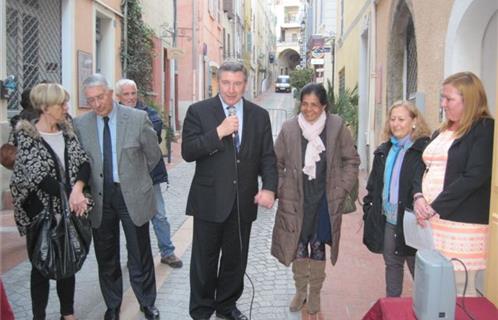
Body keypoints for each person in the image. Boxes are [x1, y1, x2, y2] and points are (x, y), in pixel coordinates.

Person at [182, 59, 277, 320]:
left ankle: (226, 306)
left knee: (235, 260)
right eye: (226, 83)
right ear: (218, 82)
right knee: (204, 261)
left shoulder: (259, 116)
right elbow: (188, 151)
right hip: (209, 201)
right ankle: (201, 310)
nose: (231, 89)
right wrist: (218, 132)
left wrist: (269, 188)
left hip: (243, 201)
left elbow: (267, 157)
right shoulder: (199, 112)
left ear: (245, 84)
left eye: (237, 83)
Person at [73, 74, 162, 320]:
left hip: (132, 193)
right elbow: (81, 162)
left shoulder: (137, 118)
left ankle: (147, 302)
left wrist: (136, 178)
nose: (96, 104)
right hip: (102, 197)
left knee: (139, 252)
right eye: (90, 100)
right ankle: (112, 305)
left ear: (111, 93)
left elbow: (153, 155)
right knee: (106, 255)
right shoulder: (82, 124)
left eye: (100, 97)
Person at [270, 83, 360, 315]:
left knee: (318, 247)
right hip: (296, 200)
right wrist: (282, 188)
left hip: (324, 200)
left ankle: (316, 293)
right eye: (305, 104)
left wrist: (341, 189)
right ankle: (301, 291)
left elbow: (351, 160)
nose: (309, 110)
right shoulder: (290, 128)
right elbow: (275, 163)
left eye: (314, 106)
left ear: (324, 107)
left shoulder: (336, 126)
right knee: (299, 247)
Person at [10, 83, 92, 320]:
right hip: (40, 211)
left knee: (67, 259)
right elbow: (38, 176)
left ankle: (67, 313)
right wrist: (72, 196)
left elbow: (83, 162)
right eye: (62, 103)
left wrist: (77, 190)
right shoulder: (26, 135)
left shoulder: (68, 130)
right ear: (45, 107)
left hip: (69, 207)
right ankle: (39, 315)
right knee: (41, 264)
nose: (66, 107)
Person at [414, 71, 494, 296]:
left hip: (460, 225)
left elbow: (474, 176)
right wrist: (418, 196)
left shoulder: (484, 129)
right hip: (433, 222)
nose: (443, 104)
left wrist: (435, 207)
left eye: (448, 99)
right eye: (443, 97)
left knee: (459, 288)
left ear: (468, 101)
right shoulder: (441, 130)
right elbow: (421, 166)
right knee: (435, 285)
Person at [362, 101, 431, 297]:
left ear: (414, 121)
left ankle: (427, 310)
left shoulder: (423, 151)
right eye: (392, 119)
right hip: (389, 220)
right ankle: (392, 308)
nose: (396, 124)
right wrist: (369, 210)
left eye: (401, 119)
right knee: (392, 265)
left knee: (418, 270)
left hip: (411, 221)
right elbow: (374, 185)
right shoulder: (384, 150)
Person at [115, 78, 183, 268]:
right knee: (132, 220)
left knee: (159, 215)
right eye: (126, 94)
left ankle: (167, 252)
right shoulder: (113, 117)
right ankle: (134, 257)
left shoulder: (148, 113)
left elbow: (153, 132)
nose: (130, 97)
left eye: (133, 93)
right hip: (125, 178)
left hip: (149, 176)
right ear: (118, 97)